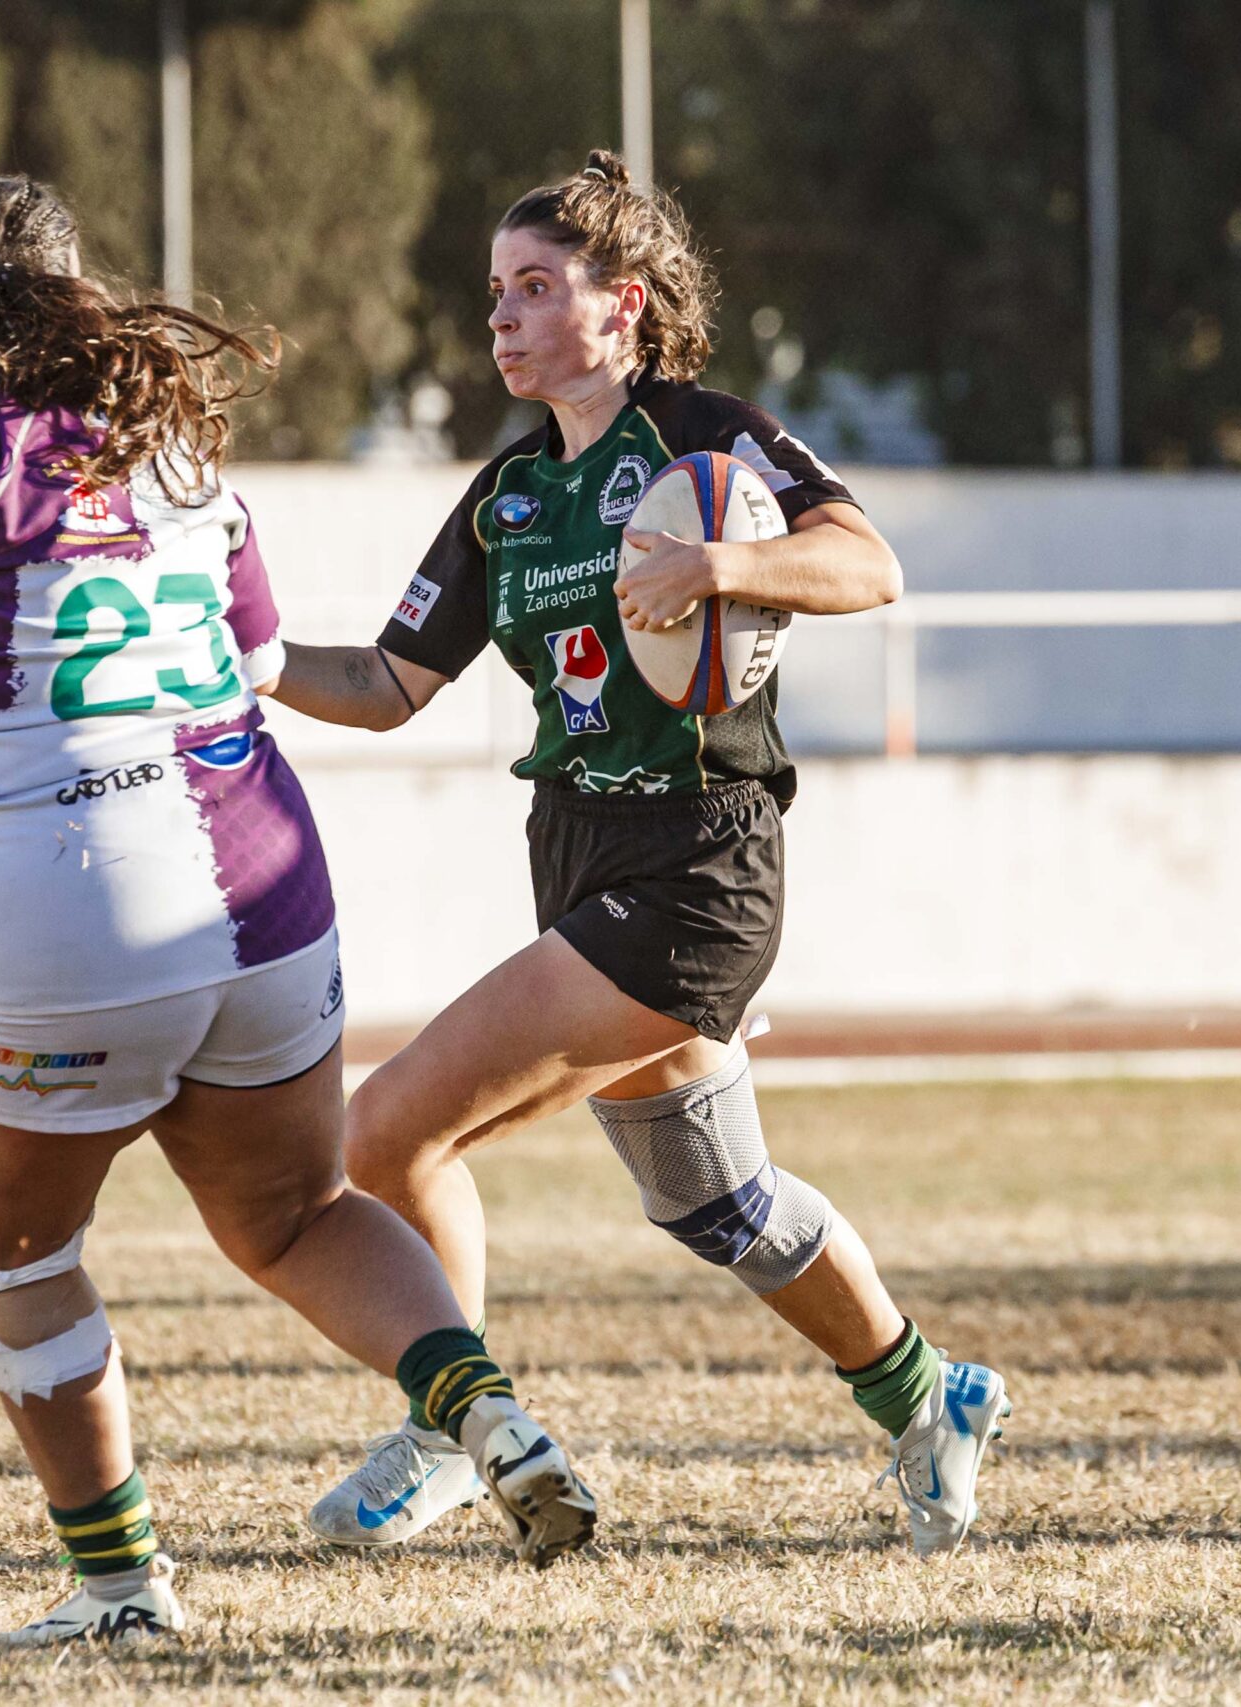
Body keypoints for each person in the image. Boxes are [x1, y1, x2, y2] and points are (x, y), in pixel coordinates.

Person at [0, 111, 596, 1647]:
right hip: (265, 900)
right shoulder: (182, 456)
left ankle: (121, 1588)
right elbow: (255, 662)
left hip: (60, 920)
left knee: (17, 1256)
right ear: (86, 298)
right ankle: (492, 1419)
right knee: (300, 1215)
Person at [267, 151, 1010, 1557]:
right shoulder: (506, 500)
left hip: (697, 874)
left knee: (384, 1131)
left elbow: (871, 564)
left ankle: (450, 1424)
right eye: (497, 292)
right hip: (578, 854)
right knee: (717, 1200)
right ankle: (930, 1396)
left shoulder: (704, 438)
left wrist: (724, 566)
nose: (505, 317)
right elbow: (382, 680)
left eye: (538, 288)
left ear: (629, 305)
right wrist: (241, 656)